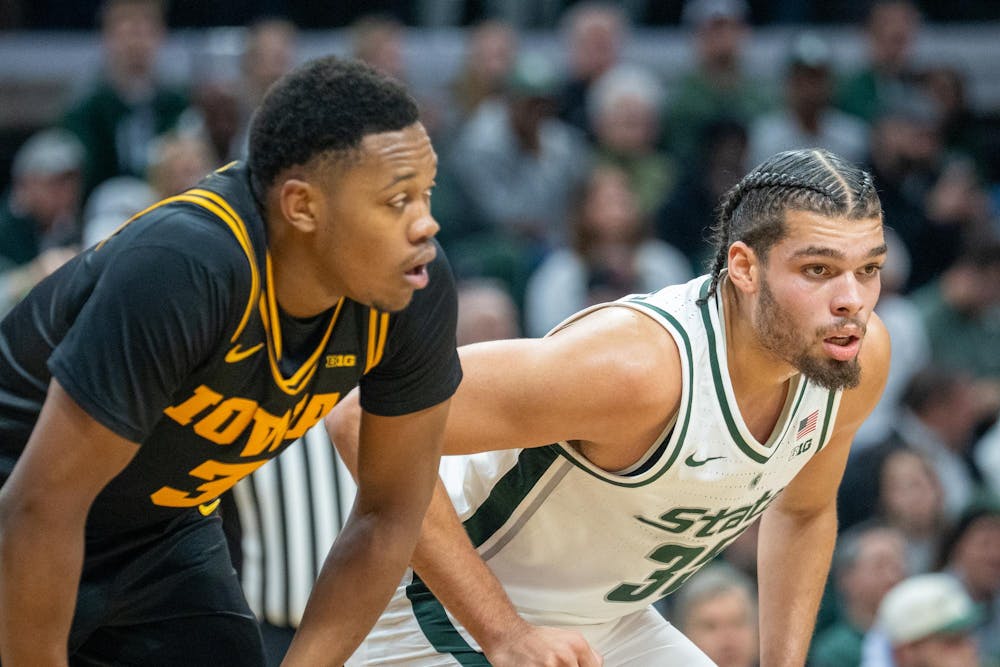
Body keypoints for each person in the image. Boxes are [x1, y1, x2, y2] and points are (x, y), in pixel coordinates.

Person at [331, 148, 891, 665]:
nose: (852, 301)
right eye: (818, 270)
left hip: (611, 621)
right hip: (442, 607)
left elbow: (803, 512)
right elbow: (363, 420)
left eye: (868, 270)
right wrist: (503, 632)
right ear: (744, 268)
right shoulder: (636, 368)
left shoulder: (852, 358)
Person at [0, 56, 462, 666]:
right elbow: (40, 507)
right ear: (302, 206)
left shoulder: (412, 290)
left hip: (160, 534)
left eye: (425, 193)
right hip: (20, 509)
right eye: (396, 200)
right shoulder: (186, 266)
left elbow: (389, 514)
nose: (425, 223)